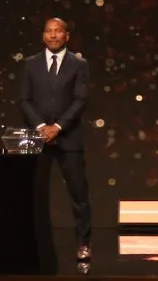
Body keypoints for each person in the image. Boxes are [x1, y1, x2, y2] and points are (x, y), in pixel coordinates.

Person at [19, 17, 93, 262]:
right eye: (48, 31)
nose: (53, 35)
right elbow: (24, 100)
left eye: (58, 31)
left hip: (68, 138)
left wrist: (58, 127)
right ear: (43, 36)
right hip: (37, 139)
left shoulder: (79, 64)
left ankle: (83, 244)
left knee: (79, 195)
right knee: (33, 195)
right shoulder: (30, 64)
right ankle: (34, 246)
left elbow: (80, 100)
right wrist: (41, 127)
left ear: (66, 36)